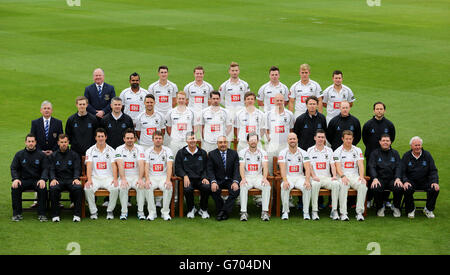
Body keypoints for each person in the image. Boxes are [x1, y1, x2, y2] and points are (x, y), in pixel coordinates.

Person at [362, 101, 396, 207]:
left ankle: (385, 200)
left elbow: (392, 138)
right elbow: (365, 139)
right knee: (371, 177)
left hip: (386, 155)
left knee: (386, 176)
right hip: (371, 155)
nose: (379, 111)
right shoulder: (368, 124)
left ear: (384, 110)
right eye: (377, 109)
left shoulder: (389, 125)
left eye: (381, 109)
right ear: (374, 110)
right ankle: (369, 199)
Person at [10, 134, 49, 222]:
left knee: (42, 187)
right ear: (25, 142)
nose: (31, 143)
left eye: (32, 141)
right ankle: (17, 213)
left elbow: (45, 168)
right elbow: (13, 168)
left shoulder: (41, 155)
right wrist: (15, 179)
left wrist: (43, 179)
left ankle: (42, 214)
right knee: (15, 187)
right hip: (23, 180)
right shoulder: (19, 154)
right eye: (29, 141)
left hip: (37, 180)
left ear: (35, 142)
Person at [84, 128, 120, 220]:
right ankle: (93, 212)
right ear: (95, 138)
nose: (100, 138)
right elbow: (89, 166)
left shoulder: (111, 150)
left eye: (102, 136)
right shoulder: (90, 150)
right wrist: (89, 180)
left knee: (115, 187)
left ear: (106, 137)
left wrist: (115, 179)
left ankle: (110, 210)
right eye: (99, 136)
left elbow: (114, 166)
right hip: (95, 178)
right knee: (87, 188)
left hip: (108, 178)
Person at [401, 136, 439, 219]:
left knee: (435, 188)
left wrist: (434, 181)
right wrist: (405, 181)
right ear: (411, 146)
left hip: (425, 181)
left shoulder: (427, 155)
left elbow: (433, 170)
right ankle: (411, 209)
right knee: (407, 188)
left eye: (419, 145)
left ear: (421, 145)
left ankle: (428, 209)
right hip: (411, 181)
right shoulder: (406, 156)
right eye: (415, 145)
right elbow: (402, 171)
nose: (417, 147)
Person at [333, 130, 367, 221]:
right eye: (346, 139)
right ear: (342, 139)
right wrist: (343, 176)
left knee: (363, 185)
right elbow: (337, 166)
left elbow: (360, 164)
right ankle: (343, 213)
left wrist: (361, 177)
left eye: (350, 139)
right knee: (344, 185)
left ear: (353, 139)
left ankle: (359, 212)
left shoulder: (357, 150)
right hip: (342, 176)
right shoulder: (337, 151)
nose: (348, 141)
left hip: (354, 176)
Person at [175, 132, 210, 219]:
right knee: (187, 189)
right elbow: (178, 168)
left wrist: (205, 177)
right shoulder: (181, 153)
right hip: (188, 179)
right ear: (186, 140)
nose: (192, 141)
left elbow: (207, 168)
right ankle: (191, 209)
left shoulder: (202, 152)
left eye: (194, 138)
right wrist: (184, 176)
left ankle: (203, 209)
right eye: (190, 139)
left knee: (206, 187)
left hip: (200, 178)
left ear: (196, 140)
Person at [48, 134, 82, 222]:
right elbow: (51, 169)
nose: (64, 144)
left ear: (68, 143)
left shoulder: (74, 155)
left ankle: (77, 215)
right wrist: (53, 179)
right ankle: (55, 215)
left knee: (78, 188)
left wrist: (76, 178)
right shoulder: (53, 155)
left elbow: (77, 168)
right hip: (58, 180)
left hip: (71, 180)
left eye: (65, 142)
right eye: (62, 142)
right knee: (53, 188)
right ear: (58, 143)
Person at [368, 134, 403, 218]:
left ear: (390, 142)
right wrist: (374, 178)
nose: (385, 142)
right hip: (380, 179)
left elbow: (399, 167)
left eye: (387, 141)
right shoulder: (375, 153)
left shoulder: (395, 153)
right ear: (380, 142)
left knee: (399, 188)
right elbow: (371, 167)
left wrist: (398, 178)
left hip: (392, 179)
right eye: (383, 141)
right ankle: (380, 207)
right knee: (375, 187)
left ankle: (396, 206)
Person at [278, 133, 312, 220]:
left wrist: (307, 181)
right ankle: (285, 211)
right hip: (288, 177)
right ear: (287, 141)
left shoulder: (303, 153)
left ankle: (306, 212)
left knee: (307, 187)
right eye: (290, 139)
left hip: (300, 178)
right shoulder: (282, 153)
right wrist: (285, 180)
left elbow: (307, 169)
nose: (292, 140)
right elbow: (282, 169)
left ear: (297, 140)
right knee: (284, 186)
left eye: (294, 139)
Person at [308, 129, 340, 220]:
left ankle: (334, 210)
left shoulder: (329, 150)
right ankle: (314, 211)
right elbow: (309, 166)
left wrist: (334, 176)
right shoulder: (310, 150)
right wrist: (313, 176)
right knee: (315, 184)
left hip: (326, 178)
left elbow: (332, 165)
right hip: (314, 178)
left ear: (325, 138)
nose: (321, 139)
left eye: (322, 137)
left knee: (336, 184)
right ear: (315, 138)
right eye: (319, 137)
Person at [238, 133, 271, 221]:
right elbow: (241, 166)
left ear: (258, 141)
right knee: (243, 186)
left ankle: (264, 212)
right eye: (251, 140)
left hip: (258, 177)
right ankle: (243, 212)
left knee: (267, 186)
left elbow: (265, 166)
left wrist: (264, 178)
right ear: (248, 141)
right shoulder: (242, 152)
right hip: (247, 177)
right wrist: (243, 178)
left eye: (255, 140)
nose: (253, 142)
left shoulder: (263, 152)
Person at [207, 136, 241, 221]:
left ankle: (222, 211)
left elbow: (237, 169)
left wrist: (235, 181)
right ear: (217, 143)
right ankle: (224, 211)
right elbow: (210, 170)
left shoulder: (234, 153)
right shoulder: (211, 154)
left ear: (228, 143)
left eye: (225, 142)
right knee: (213, 190)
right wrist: (213, 182)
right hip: (218, 180)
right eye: (220, 142)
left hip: (230, 180)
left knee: (236, 190)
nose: (223, 144)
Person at [143, 131, 174, 221]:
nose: (158, 140)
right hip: (152, 177)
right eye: (156, 138)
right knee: (147, 187)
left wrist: (168, 180)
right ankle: (152, 213)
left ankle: (165, 213)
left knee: (168, 187)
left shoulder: (168, 150)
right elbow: (146, 166)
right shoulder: (148, 151)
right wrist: (147, 179)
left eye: (160, 138)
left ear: (163, 140)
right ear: (153, 140)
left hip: (163, 177)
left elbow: (169, 165)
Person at [115, 129, 145, 220]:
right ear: (124, 139)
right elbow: (120, 164)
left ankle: (140, 212)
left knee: (141, 186)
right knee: (123, 187)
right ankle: (124, 212)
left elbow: (141, 164)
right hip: (124, 176)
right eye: (127, 138)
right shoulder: (119, 149)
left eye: (131, 138)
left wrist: (140, 178)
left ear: (135, 139)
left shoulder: (140, 148)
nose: (129, 140)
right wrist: (123, 179)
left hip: (136, 176)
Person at [264, 93, 295, 175]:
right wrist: (269, 139)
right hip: (272, 145)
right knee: (270, 167)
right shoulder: (268, 114)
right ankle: (271, 186)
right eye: (277, 100)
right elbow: (265, 130)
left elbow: (291, 129)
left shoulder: (289, 114)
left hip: (285, 145)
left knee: (284, 167)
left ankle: (282, 185)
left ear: (284, 101)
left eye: (281, 100)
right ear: (274, 101)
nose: (279, 102)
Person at [147, 65, 178, 146]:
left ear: (167, 73)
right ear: (158, 74)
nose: (163, 74)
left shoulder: (173, 86)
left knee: (168, 137)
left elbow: (174, 101)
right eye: (162, 72)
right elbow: (149, 101)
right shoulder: (152, 87)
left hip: (168, 115)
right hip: (156, 115)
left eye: (165, 72)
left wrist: (169, 111)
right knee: (156, 136)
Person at [165, 91, 196, 156]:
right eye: (179, 98)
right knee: (174, 161)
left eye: (183, 99)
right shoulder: (170, 112)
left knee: (187, 162)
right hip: (175, 142)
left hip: (187, 142)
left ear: (186, 100)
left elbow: (194, 128)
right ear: (176, 100)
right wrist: (175, 137)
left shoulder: (191, 112)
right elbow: (168, 128)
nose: (181, 100)